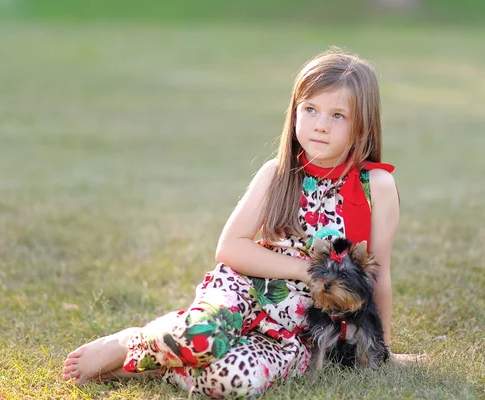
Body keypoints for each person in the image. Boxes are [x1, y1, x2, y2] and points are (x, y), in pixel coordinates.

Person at [62, 47, 421, 398]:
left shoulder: (377, 187)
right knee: (201, 335)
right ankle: (132, 341)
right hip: (243, 291)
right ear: (294, 113)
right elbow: (230, 248)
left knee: (230, 381)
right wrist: (303, 271)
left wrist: (383, 349)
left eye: (338, 116)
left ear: (362, 127)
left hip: (297, 333)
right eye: (310, 109)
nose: (321, 126)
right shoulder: (278, 174)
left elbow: (379, 274)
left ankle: (147, 365)